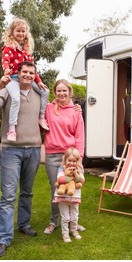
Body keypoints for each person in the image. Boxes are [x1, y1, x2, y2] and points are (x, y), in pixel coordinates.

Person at [0, 61, 42, 258]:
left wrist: (75, 108)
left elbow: (56, 110)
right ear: (18, 73)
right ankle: (3, 239)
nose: (28, 75)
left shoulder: (38, 93)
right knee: (8, 196)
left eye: (31, 72)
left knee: (27, 191)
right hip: (11, 151)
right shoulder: (8, 91)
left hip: (33, 150)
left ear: (34, 75)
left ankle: (24, 224)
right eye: (25, 72)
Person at [43, 79, 86, 235]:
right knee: (57, 188)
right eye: (58, 91)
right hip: (52, 155)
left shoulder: (76, 111)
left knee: (73, 188)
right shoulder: (47, 108)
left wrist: (79, 157)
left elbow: (80, 136)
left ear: (69, 92)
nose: (62, 93)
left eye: (64, 90)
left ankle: (73, 222)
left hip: (71, 157)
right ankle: (54, 222)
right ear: (55, 92)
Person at [1, 17, 49, 142]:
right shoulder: (9, 47)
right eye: (18, 31)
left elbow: (32, 69)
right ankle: (12, 129)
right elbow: (5, 60)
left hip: (28, 79)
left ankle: (41, 117)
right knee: (16, 99)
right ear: (12, 32)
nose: (21, 34)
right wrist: (6, 69)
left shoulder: (27, 51)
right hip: (13, 78)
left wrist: (38, 81)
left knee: (45, 91)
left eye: (23, 31)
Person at [53, 147, 85, 242]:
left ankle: (74, 230)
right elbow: (61, 179)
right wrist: (70, 178)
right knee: (65, 217)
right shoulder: (61, 169)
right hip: (63, 196)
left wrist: (75, 174)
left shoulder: (79, 169)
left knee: (74, 215)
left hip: (74, 196)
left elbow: (81, 181)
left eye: (74, 161)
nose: (71, 163)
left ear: (77, 161)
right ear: (65, 159)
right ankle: (65, 234)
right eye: (69, 160)